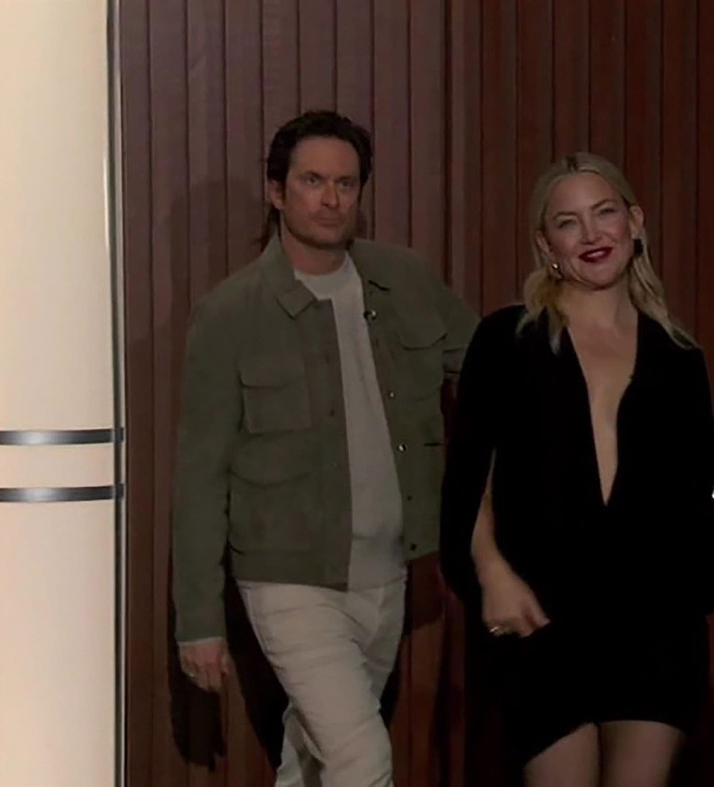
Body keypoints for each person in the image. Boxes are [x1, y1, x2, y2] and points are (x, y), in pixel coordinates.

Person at [439, 152, 714, 786]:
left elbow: (685, 508)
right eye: (568, 222)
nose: (591, 234)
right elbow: (469, 483)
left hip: (654, 622)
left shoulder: (676, 357)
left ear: (635, 223)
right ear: (546, 245)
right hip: (544, 622)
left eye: (605, 213)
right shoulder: (507, 339)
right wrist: (492, 572)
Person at [172, 109, 477, 787]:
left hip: (389, 571)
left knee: (313, 760)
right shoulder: (232, 312)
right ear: (278, 191)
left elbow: (492, 368)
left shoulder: (403, 280)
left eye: (346, 183)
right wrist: (197, 620)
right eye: (313, 181)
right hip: (287, 579)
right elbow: (200, 475)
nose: (331, 198)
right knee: (362, 760)